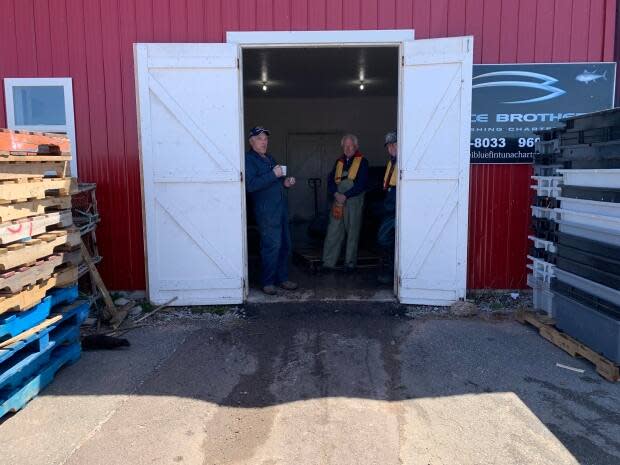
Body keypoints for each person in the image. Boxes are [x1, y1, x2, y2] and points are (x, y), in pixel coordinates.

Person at [245, 126, 298, 295]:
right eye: (260, 139)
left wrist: (285, 182)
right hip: (266, 211)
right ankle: (267, 282)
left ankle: (282, 278)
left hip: (280, 209)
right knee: (271, 246)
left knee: (285, 245)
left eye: (265, 139)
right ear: (251, 141)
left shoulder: (269, 158)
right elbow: (251, 185)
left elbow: (277, 179)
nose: (264, 142)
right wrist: (273, 175)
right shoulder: (249, 160)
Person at [321, 134, 369, 272]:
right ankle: (328, 263)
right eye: (345, 146)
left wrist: (345, 195)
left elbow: (361, 184)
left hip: (353, 202)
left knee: (352, 232)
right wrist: (336, 194)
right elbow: (330, 181)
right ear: (342, 147)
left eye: (350, 146)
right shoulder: (338, 162)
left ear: (356, 146)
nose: (348, 148)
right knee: (333, 231)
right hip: (338, 200)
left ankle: (349, 264)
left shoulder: (363, 162)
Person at [377, 131, 397, 284]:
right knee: (386, 238)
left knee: (385, 238)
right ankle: (389, 272)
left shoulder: (405, 162)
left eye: (394, 145)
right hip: (389, 202)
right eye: (389, 146)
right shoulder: (391, 162)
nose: (391, 148)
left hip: (397, 203)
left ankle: (391, 273)